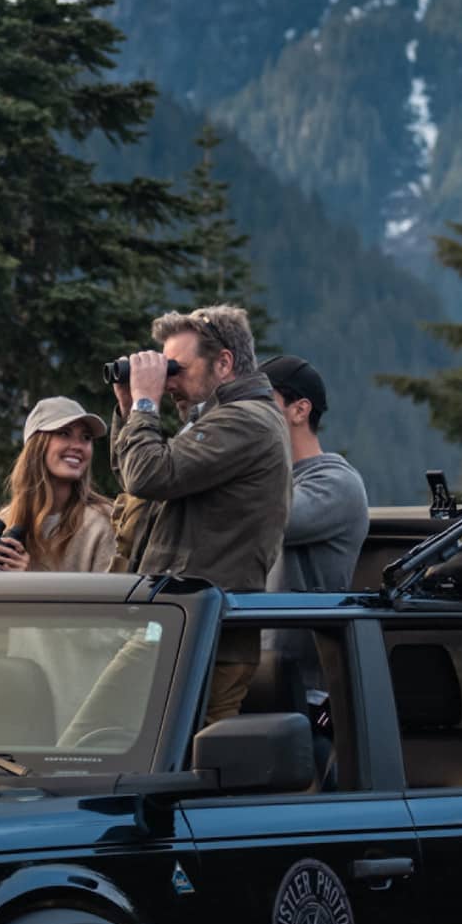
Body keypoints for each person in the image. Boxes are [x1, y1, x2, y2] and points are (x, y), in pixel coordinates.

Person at [105, 304, 291, 723]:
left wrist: (146, 405)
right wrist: (128, 408)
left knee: (92, 738)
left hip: (201, 634)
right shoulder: (224, 420)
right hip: (180, 627)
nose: (169, 383)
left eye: (177, 368)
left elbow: (148, 474)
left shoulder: (247, 422)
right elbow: (136, 481)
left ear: (223, 363)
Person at [0, 396, 116, 573]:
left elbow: (107, 599)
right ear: (37, 446)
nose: (78, 446)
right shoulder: (4, 521)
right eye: (64, 433)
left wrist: (30, 577)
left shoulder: (102, 522)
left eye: (86, 437)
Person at [260, 355, 369, 593]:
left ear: (300, 410)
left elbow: (262, 520)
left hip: (305, 631)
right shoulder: (273, 481)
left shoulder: (337, 484)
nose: (251, 415)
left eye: (263, 403)